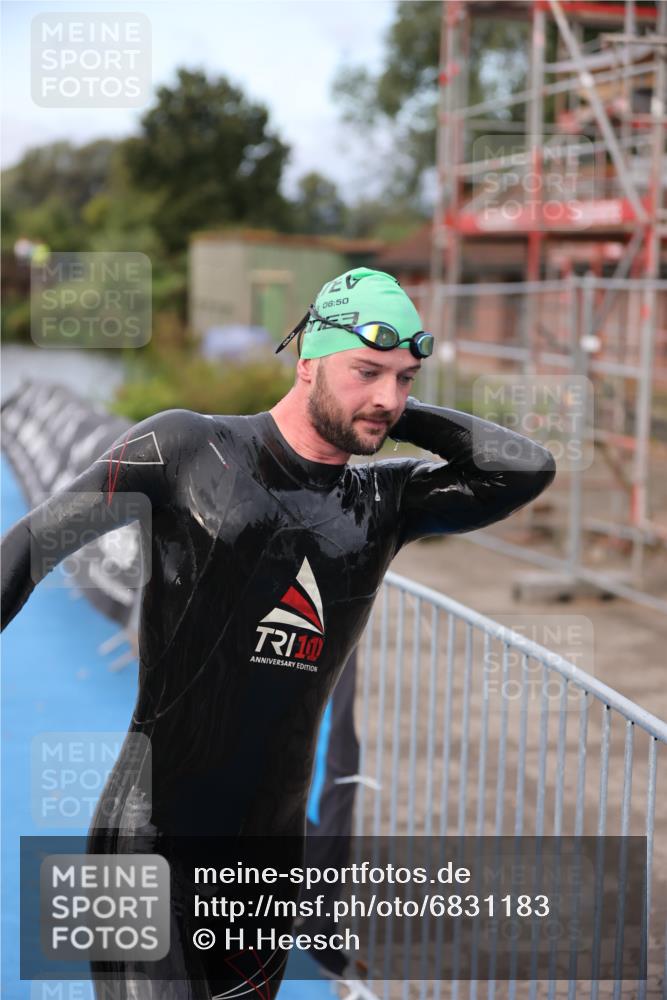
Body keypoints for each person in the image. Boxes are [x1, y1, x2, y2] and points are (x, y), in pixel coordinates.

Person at [1, 267, 556, 999]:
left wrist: (383, 407)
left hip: (268, 859)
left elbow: (523, 469)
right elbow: (30, 547)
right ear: (306, 362)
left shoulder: (385, 502)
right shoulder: (185, 448)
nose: (388, 396)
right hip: (143, 840)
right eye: (367, 371)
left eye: (405, 379)